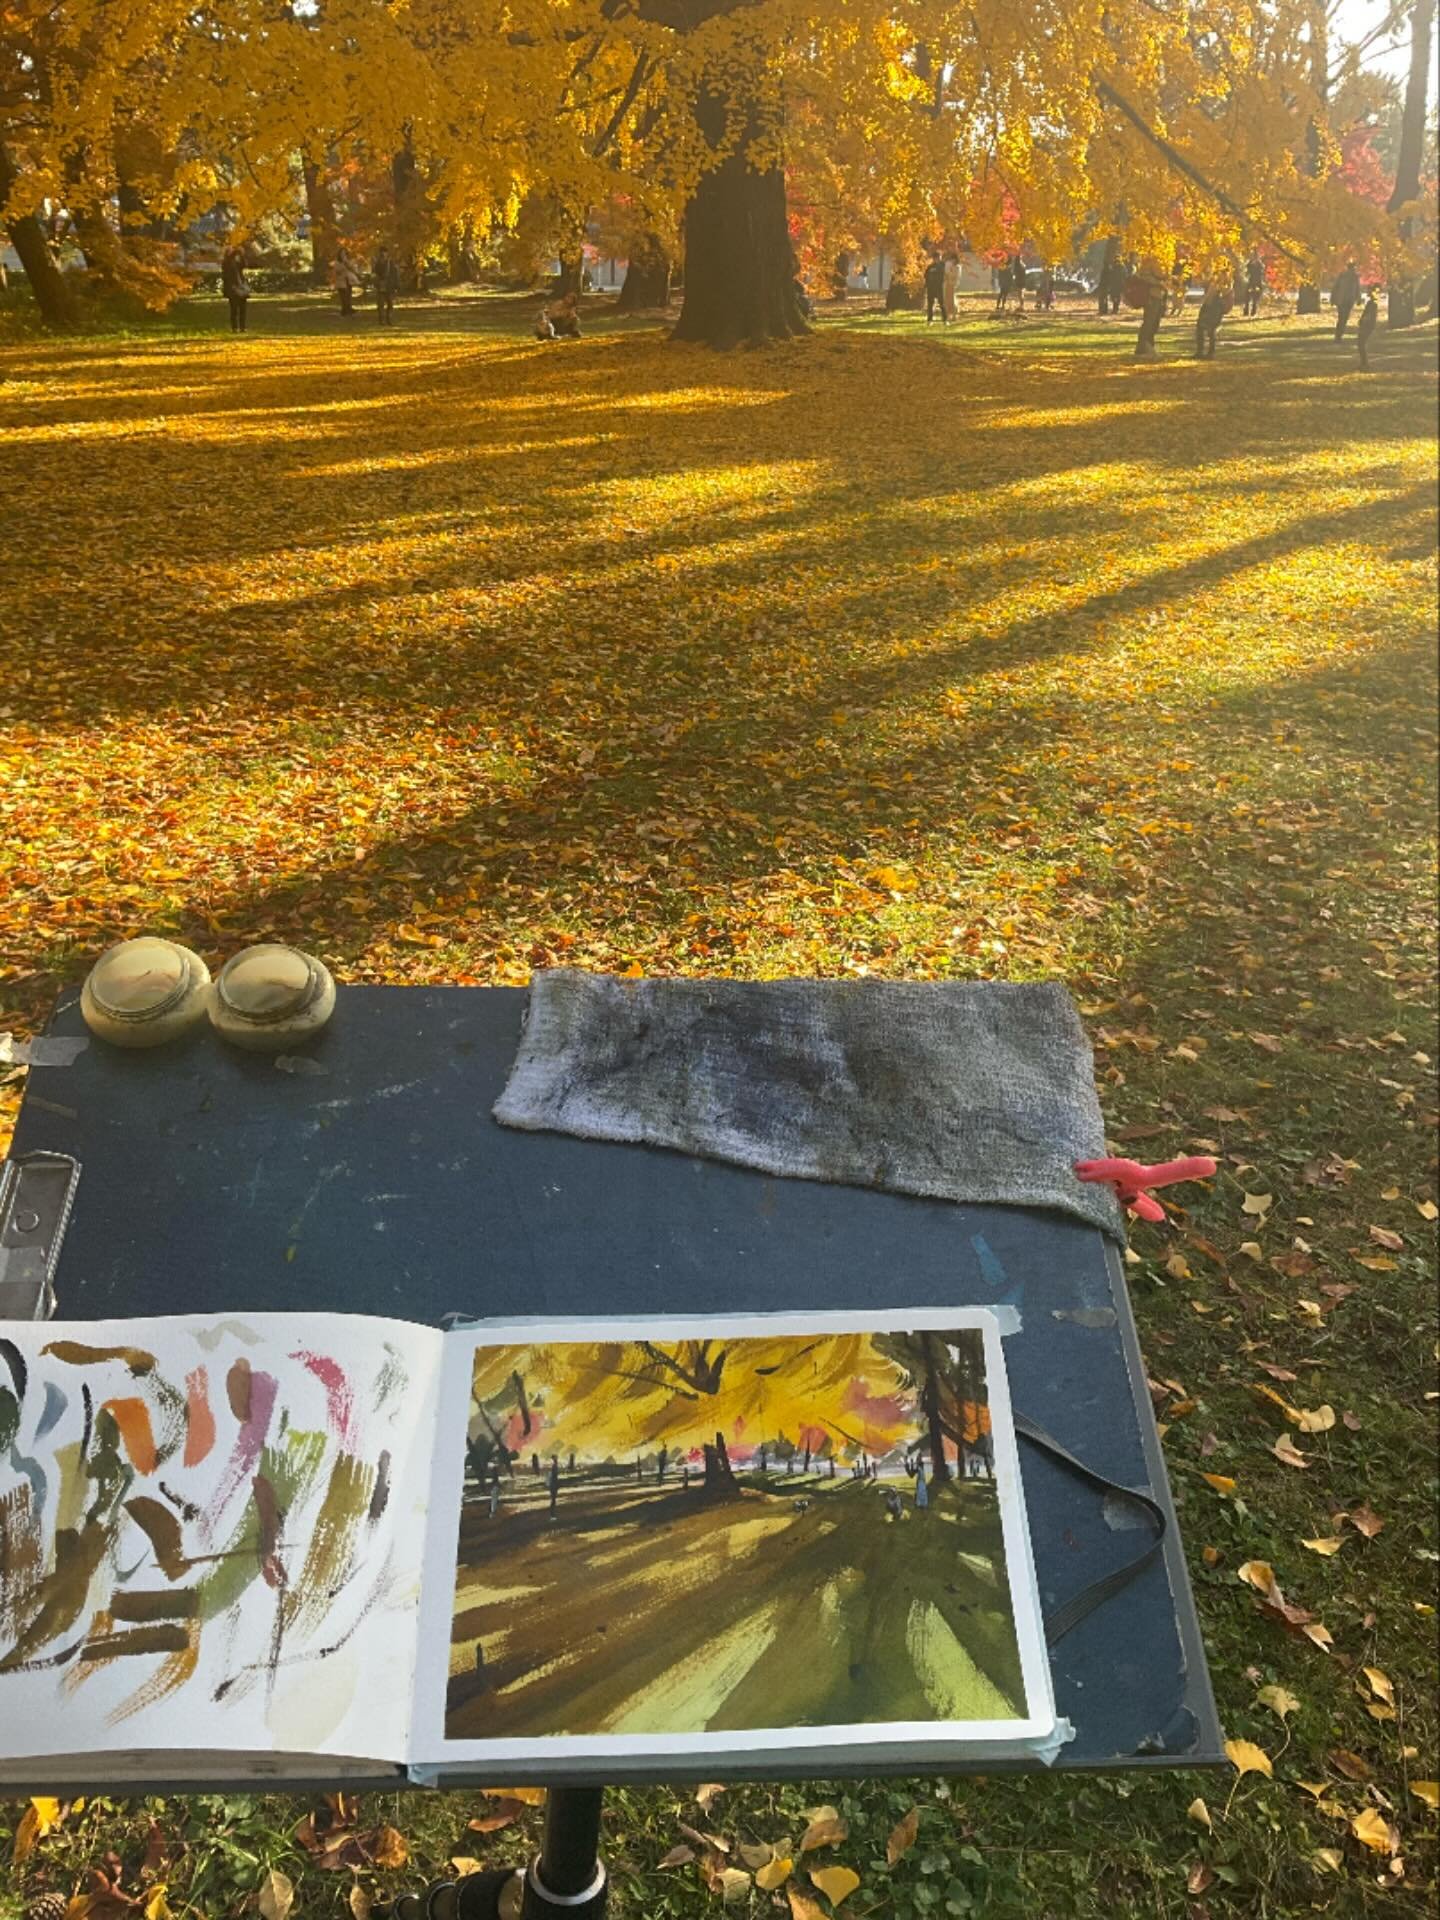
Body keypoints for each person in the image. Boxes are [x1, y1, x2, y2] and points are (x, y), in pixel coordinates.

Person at [1129, 255, 1167, 360]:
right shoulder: (1148, 261)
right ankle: (1143, 347)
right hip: (1151, 297)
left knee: (1155, 323)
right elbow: (1144, 277)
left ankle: (1149, 346)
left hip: (1159, 296)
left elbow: (1163, 275)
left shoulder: (1162, 260)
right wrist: (1159, 284)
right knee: (1149, 322)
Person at [220, 243, 250, 333]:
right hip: (232, 288)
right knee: (234, 310)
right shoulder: (226, 262)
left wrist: (241, 254)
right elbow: (229, 259)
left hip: (241, 287)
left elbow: (244, 265)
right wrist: (236, 250)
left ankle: (242, 327)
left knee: (242, 309)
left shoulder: (236, 262)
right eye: (229, 251)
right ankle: (234, 327)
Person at [1194, 279, 1227, 358]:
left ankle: (1211, 353)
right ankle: (1200, 352)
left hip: (1212, 320)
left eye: (1212, 288)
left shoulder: (1217, 301)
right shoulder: (1209, 299)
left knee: (1211, 332)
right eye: (1209, 288)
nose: (1210, 290)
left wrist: (1209, 322)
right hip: (1206, 318)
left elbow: (1217, 315)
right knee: (1200, 330)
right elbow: (1203, 310)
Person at [1331, 261, 1361, 341]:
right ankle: (1339, 335)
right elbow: (1357, 289)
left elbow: (1335, 288)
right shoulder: (1351, 276)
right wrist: (1358, 298)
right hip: (1346, 300)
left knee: (1342, 318)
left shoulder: (1344, 275)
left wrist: (1333, 298)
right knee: (1343, 318)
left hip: (1343, 300)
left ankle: (1338, 335)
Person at [372, 246, 399, 324]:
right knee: (381, 304)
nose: (383, 254)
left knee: (390, 304)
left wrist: (396, 285)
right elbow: (375, 273)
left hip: (389, 286)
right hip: (381, 285)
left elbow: (395, 274)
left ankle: (389, 319)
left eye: (384, 252)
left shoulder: (390, 262)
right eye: (382, 252)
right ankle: (381, 320)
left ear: (387, 253)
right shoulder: (377, 263)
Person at [332, 245, 360, 317]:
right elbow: (336, 272)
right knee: (343, 297)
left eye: (344, 253)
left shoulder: (349, 261)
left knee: (348, 296)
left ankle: (347, 310)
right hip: (341, 281)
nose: (343, 255)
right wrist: (342, 268)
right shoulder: (337, 262)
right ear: (339, 254)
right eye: (342, 254)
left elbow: (353, 269)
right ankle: (345, 310)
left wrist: (347, 263)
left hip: (348, 280)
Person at [1356, 289, 1378, 370]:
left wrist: (1363, 320)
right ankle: (1363, 362)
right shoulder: (1371, 303)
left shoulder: (1373, 304)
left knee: (1361, 343)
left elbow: (1369, 315)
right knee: (1361, 344)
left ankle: (1365, 363)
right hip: (1366, 325)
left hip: (1367, 326)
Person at [923, 252, 945, 323]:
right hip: (931, 287)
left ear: (940, 258)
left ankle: (945, 319)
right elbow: (925, 276)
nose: (937, 259)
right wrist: (927, 284)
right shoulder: (930, 267)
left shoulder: (943, 266)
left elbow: (945, 276)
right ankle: (930, 319)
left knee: (942, 303)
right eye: (935, 258)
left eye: (938, 258)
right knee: (930, 304)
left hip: (939, 287)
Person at [1243, 252, 1265, 317]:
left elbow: (1262, 273)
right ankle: (1246, 311)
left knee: (1255, 298)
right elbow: (1247, 273)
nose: (1254, 258)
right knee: (1247, 297)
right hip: (1251, 282)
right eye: (1253, 257)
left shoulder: (1260, 265)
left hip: (1258, 282)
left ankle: (1253, 311)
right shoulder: (1249, 264)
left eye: (1256, 257)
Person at [941, 249, 959, 323]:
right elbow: (946, 273)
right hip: (948, 283)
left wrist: (952, 280)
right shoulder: (949, 264)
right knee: (947, 299)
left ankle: (953, 315)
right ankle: (948, 315)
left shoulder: (957, 266)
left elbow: (955, 275)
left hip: (951, 284)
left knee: (951, 299)